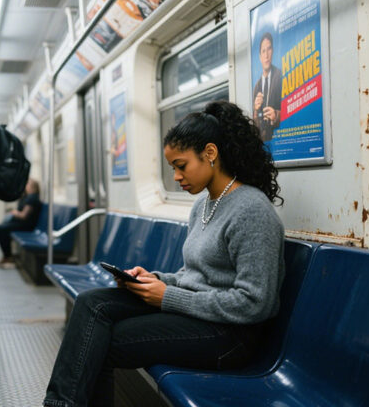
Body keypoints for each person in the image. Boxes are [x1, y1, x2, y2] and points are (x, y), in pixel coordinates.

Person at [44, 100, 284, 407]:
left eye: (181, 166)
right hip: (197, 314)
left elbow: (255, 303)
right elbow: (194, 275)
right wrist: (155, 280)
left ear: (210, 154)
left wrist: (167, 296)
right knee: (92, 303)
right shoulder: (203, 205)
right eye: (173, 168)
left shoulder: (252, 210)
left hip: (230, 335)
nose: (176, 177)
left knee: (101, 342)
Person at [0, 178, 42, 268]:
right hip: (21, 224)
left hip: (26, 226)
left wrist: (14, 213)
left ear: (32, 187)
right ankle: (7, 255)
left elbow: (23, 216)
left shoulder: (32, 198)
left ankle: (8, 256)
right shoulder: (27, 197)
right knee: (1, 229)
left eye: (27, 184)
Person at [252, 32, 282, 141]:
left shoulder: (280, 76)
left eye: (269, 49)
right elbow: (255, 128)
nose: (266, 55)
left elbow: (293, 110)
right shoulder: (256, 87)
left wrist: (276, 115)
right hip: (264, 143)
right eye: (263, 51)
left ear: (273, 51)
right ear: (260, 56)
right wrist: (255, 111)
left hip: (280, 139)